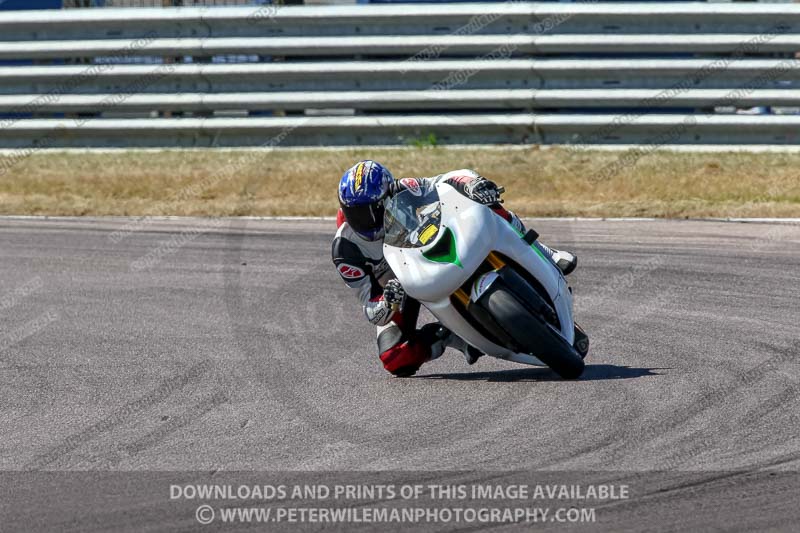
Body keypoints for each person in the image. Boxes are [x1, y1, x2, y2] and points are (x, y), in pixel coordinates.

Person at [332, 160, 586, 378]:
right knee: (394, 358)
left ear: (387, 195)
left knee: (484, 199)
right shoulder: (346, 249)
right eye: (355, 213)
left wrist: (472, 185)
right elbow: (369, 307)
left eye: (370, 211)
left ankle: (544, 250)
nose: (363, 220)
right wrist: (387, 303)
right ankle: (447, 336)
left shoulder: (404, 188)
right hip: (399, 287)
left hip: (427, 249)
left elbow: (448, 180)